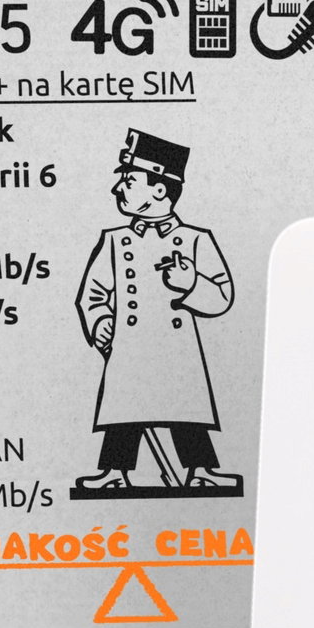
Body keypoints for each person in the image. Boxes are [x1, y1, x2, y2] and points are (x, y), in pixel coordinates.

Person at [72, 129, 241, 496]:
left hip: (177, 346)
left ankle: (201, 470)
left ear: (159, 190)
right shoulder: (114, 240)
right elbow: (92, 293)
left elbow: (222, 295)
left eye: (129, 181)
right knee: (124, 412)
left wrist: (190, 283)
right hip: (128, 344)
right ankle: (114, 471)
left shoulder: (196, 239)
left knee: (186, 410)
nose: (117, 189)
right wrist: (100, 322)